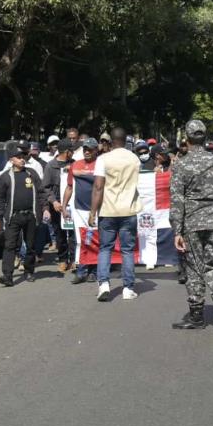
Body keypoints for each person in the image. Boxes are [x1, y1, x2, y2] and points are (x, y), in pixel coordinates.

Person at [171, 120, 213, 332]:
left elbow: (177, 200)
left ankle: (197, 315)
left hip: (192, 222)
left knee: (194, 268)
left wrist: (176, 230)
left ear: (187, 139)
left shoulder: (182, 164)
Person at [89, 128, 142, 301]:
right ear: (125, 141)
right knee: (127, 250)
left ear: (111, 141)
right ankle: (128, 288)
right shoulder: (134, 159)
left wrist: (92, 212)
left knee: (105, 248)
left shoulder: (103, 159)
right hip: (128, 210)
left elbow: (98, 187)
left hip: (108, 210)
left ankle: (103, 284)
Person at [0, 147, 47, 286]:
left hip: (31, 215)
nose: (22, 159)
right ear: (11, 160)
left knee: (30, 246)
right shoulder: (5, 176)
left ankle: (29, 271)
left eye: (23, 156)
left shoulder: (31, 173)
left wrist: (45, 209)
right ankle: (7, 276)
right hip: (13, 217)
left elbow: (41, 192)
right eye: (18, 157)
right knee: (9, 246)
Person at [63, 138, 99, 284]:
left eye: (90, 149)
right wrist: (64, 206)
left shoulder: (101, 165)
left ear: (96, 150)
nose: (87, 152)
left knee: (95, 240)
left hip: (97, 210)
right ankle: (82, 271)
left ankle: (94, 271)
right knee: (82, 240)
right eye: (85, 149)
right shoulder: (75, 165)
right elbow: (69, 187)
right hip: (79, 210)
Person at [42, 139, 75, 272]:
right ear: (67, 152)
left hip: (72, 204)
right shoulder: (50, 166)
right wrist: (54, 201)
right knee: (60, 234)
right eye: (71, 150)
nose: (73, 153)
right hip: (56, 205)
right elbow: (45, 187)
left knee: (73, 234)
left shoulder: (74, 164)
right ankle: (63, 259)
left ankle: (74, 259)